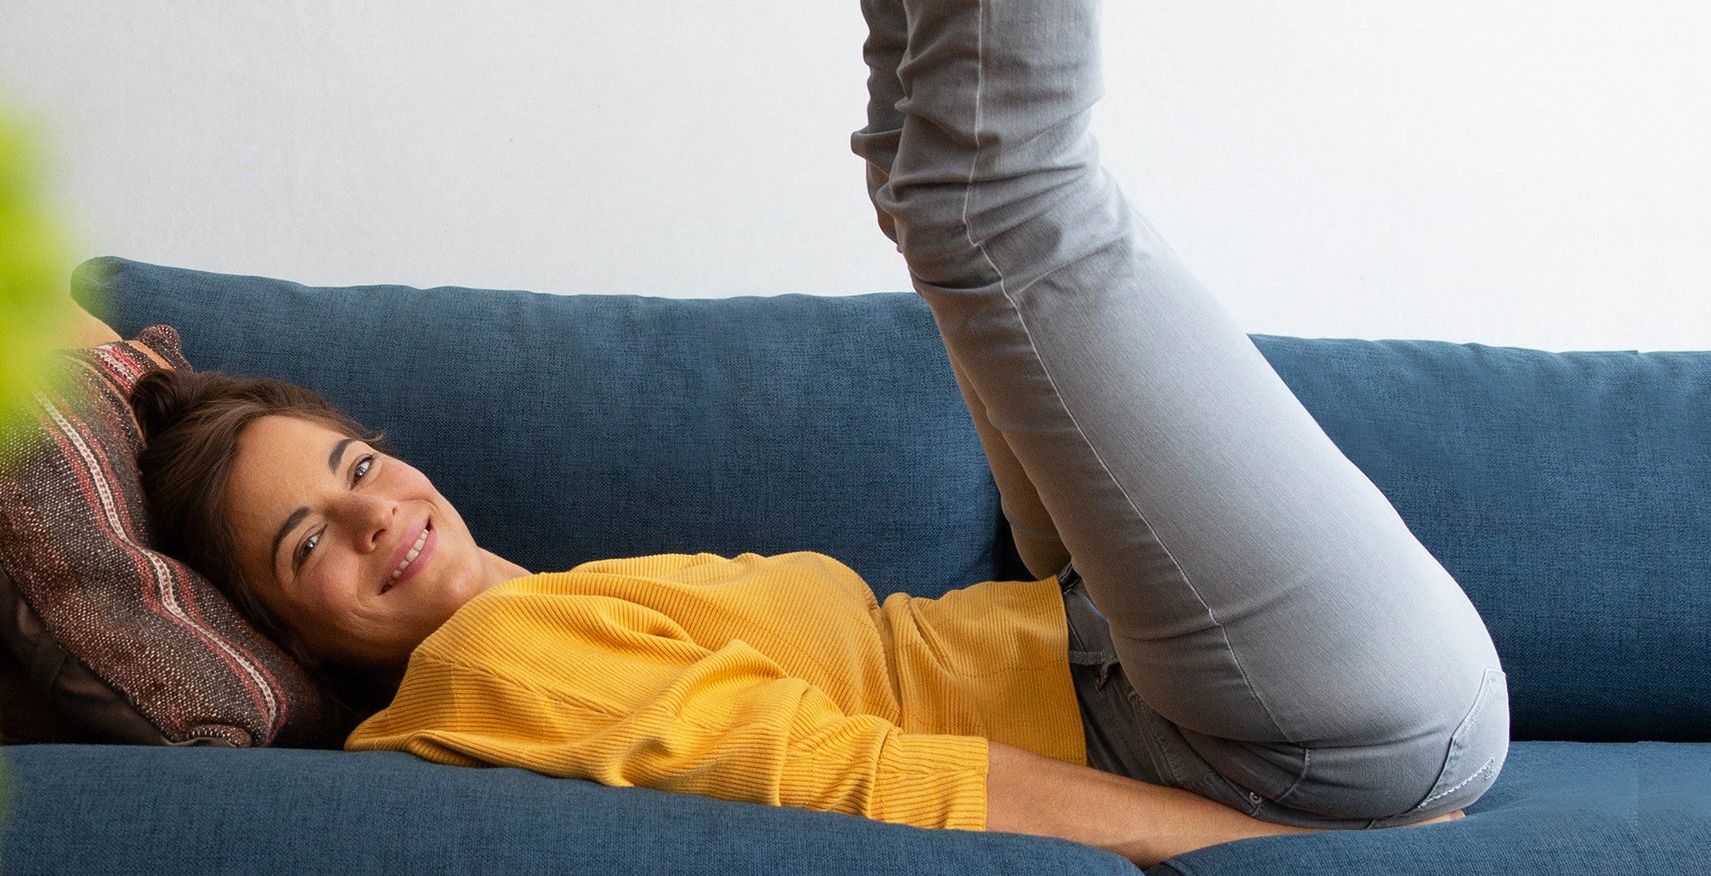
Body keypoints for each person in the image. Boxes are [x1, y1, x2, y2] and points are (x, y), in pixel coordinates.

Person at [129, 0, 1507, 866]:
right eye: (310, 538)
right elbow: (862, 775)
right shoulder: (495, 663)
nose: (375, 513)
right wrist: (1266, 851)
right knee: (991, 198)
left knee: (928, 188)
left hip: (1118, 654)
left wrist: (117, 351)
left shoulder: (544, 606)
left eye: (354, 464)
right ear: (287, 632)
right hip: (1276, 747)